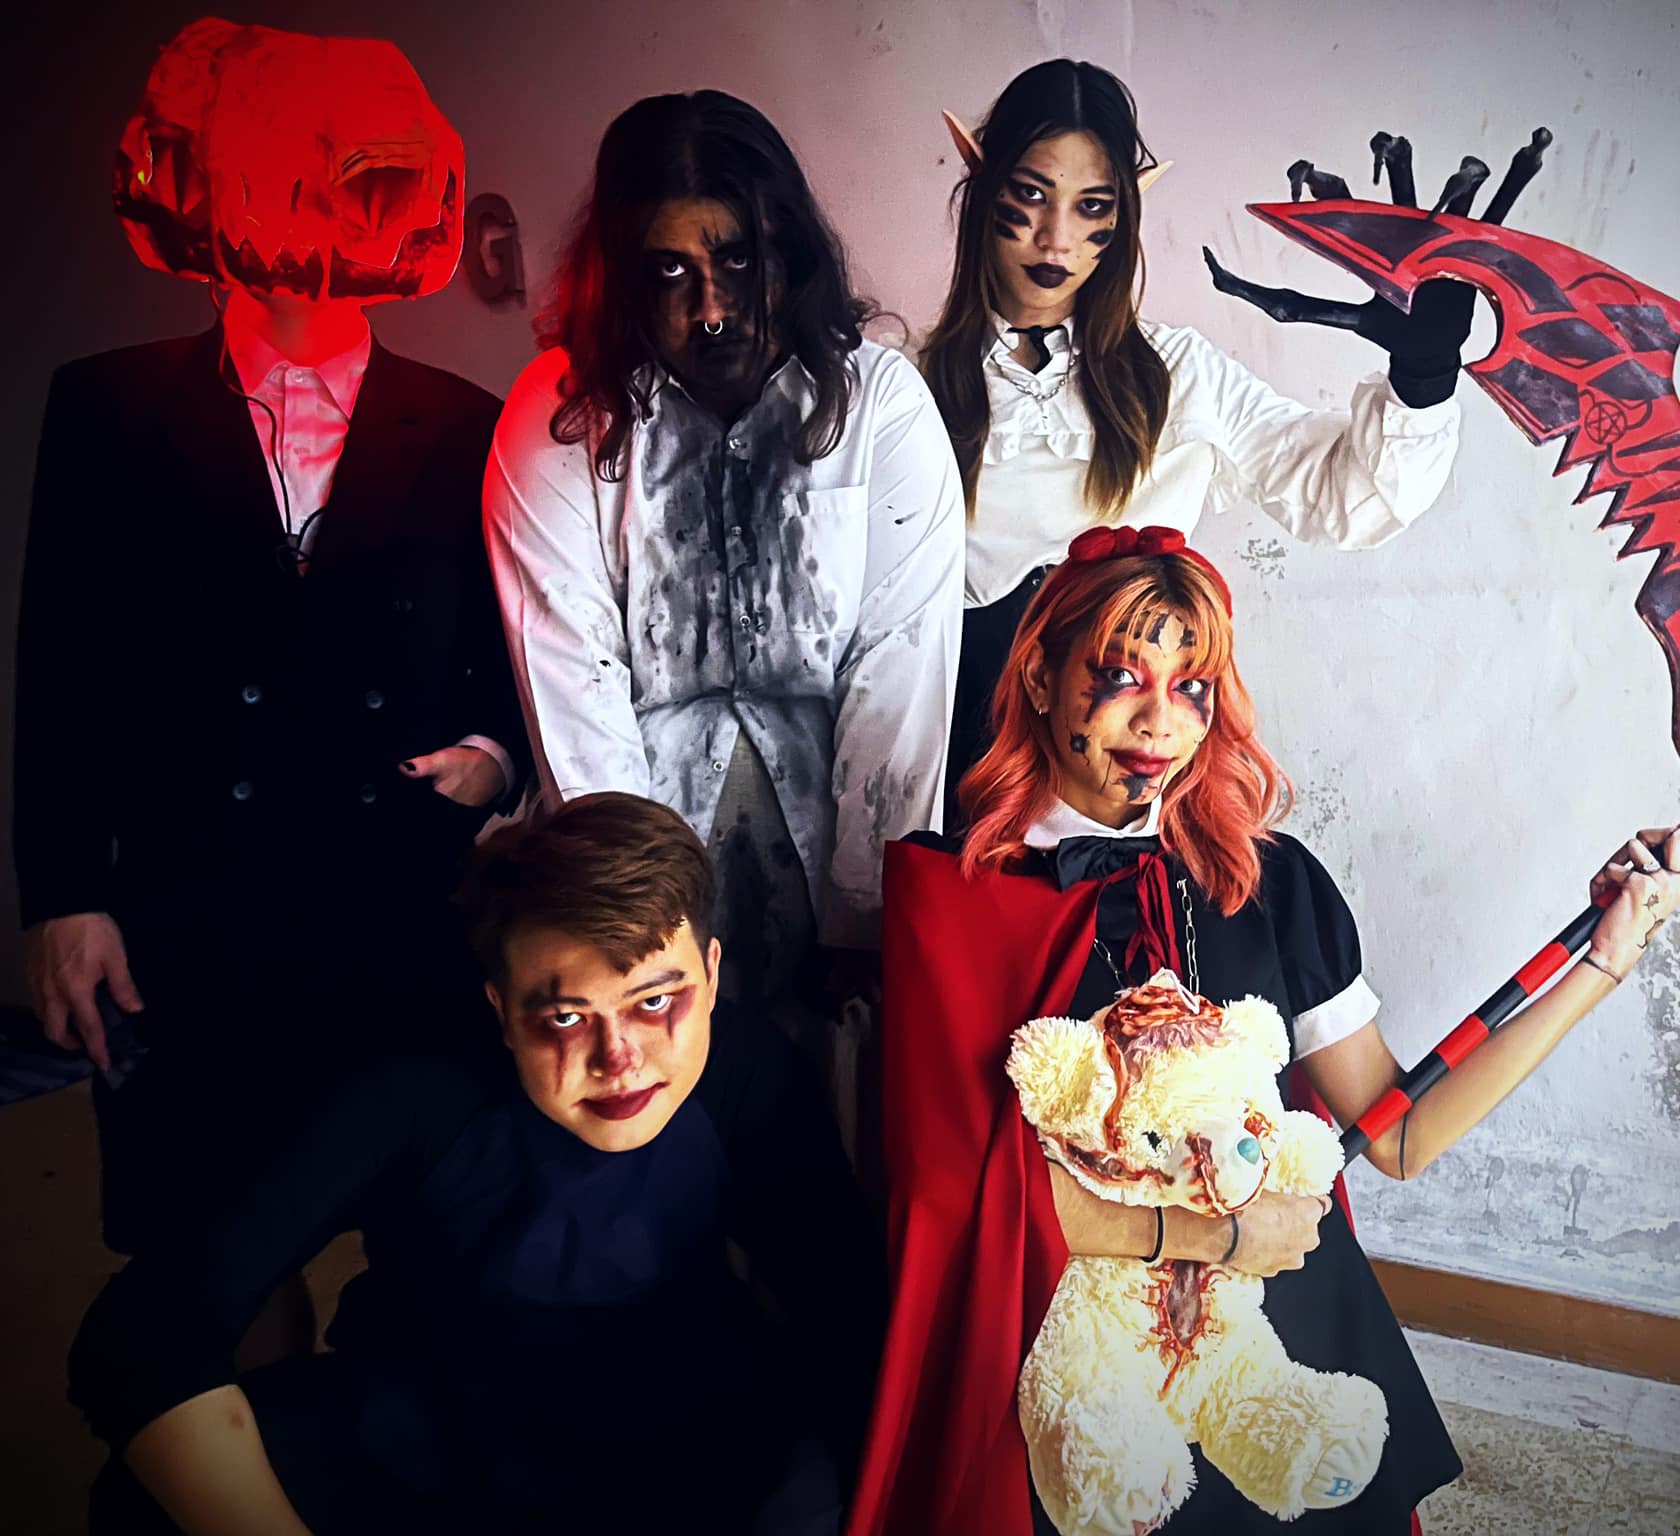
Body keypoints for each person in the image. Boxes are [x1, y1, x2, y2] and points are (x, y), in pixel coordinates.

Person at [850, 528, 1680, 1535]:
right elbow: (956, 1199)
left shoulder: (1268, 885)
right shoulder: (948, 897)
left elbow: (1398, 1133)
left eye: (1191, 686)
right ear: (1041, 679)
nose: (1159, 719)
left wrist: (1603, 963)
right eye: (1121, 675)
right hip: (1070, 1365)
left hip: (1269, 1335)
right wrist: (1220, 1236)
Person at [16, 20, 524, 1260]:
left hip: (396, 906)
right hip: (186, 912)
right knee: (209, 1256)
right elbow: (60, 673)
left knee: (422, 1249)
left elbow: (509, 647)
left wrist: (495, 758)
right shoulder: (103, 406)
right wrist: (65, 896)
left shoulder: (471, 423)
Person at [70, 792, 883, 1535]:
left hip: (690, 1446)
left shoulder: (747, 1070)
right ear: (499, 1006)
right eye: (566, 1017)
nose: (621, 1060)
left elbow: (852, 1318)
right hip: (428, 1439)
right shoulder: (410, 1079)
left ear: (710, 974)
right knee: (145, 1502)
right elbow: (146, 1332)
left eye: (654, 1002)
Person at [484, 92, 965, 1033]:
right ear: (622, 274)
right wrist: (635, 938)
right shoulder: (560, 416)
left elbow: (902, 670)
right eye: (670, 270)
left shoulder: (879, 403)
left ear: (789, 250)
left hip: (839, 836)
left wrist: (868, 917)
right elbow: (573, 679)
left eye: (738, 259)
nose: (711, 309)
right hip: (631, 837)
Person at [926, 59, 1476, 800]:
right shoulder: (904, 383)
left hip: (1133, 790)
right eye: (1031, 195)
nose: (1057, 238)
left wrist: (1423, 378)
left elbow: (1343, 499)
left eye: (1092, 206)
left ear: (1123, 215)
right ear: (983, 186)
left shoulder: (1180, 374)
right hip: (960, 784)